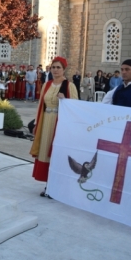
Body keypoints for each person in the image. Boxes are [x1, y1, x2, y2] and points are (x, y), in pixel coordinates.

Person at [29, 56, 78, 197]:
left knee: (56, 153)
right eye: (53, 67)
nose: (55, 70)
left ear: (64, 69)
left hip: (59, 124)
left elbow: (75, 107)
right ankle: (49, 185)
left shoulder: (69, 86)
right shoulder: (47, 84)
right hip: (45, 123)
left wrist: (65, 101)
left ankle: (57, 186)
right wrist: (37, 124)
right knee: (45, 152)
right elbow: (40, 105)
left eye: (58, 67)